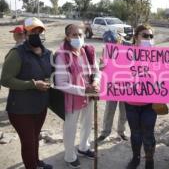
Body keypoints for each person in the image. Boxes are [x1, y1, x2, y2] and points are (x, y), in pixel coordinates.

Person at [0, 17, 53, 169]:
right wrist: (32, 84)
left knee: (35, 137)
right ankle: (32, 166)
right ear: (25, 33)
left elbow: (54, 74)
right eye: (33, 31)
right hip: (20, 109)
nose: (37, 34)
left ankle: (36, 162)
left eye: (40, 31)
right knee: (28, 142)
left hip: (40, 107)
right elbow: (5, 80)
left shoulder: (47, 53)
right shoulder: (17, 53)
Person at [54, 24, 100, 168]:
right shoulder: (61, 55)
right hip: (73, 97)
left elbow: (97, 71)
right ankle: (69, 156)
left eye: (80, 35)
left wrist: (96, 82)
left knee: (87, 123)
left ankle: (83, 148)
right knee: (70, 127)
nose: (78, 38)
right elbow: (60, 83)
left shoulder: (88, 51)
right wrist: (83, 90)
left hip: (89, 94)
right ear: (67, 37)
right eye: (74, 35)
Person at [125, 24, 157, 169]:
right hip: (131, 104)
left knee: (148, 134)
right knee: (135, 134)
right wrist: (107, 67)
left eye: (151, 36)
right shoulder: (124, 54)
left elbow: (166, 77)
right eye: (145, 35)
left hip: (150, 104)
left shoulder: (158, 56)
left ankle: (149, 160)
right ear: (136, 37)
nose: (149, 39)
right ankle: (136, 158)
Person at [97, 30, 128, 142]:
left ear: (119, 40)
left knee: (124, 111)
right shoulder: (106, 50)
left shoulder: (128, 48)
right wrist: (101, 66)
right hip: (112, 85)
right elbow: (102, 68)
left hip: (126, 85)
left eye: (114, 43)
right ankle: (105, 132)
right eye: (108, 44)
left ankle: (121, 131)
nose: (111, 46)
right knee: (109, 109)